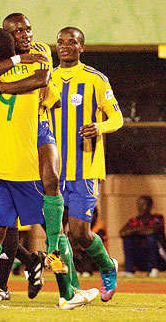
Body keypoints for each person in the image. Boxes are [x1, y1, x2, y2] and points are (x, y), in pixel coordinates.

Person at [0, 28, 98, 310]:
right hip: (25, 168)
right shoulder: (34, 78)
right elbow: (46, 82)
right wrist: (22, 65)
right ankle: (67, 295)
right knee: (55, 234)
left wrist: (0, 86)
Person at [48, 27, 124, 302]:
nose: (65, 46)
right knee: (56, 232)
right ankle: (71, 288)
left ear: (82, 47)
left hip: (85, 168)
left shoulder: (94, 79)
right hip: (52, 170)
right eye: (60, 42)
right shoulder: (47, 78)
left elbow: (117, 118)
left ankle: (107, 266)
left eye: (72, 42)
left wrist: (99, 127)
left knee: (79, 232)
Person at [119, 195, 166, 277]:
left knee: (151, 238)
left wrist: (134, 230)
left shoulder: (157, 218)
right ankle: (129, 270)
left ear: (150, 206)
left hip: (158, 258)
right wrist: (141, 230)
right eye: (138, 204)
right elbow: (122, 233)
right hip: (141, 257)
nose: (140, 207)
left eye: (143, 204)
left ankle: (153, 269)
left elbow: (152, 230)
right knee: (127, 239)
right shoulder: (134, 220)